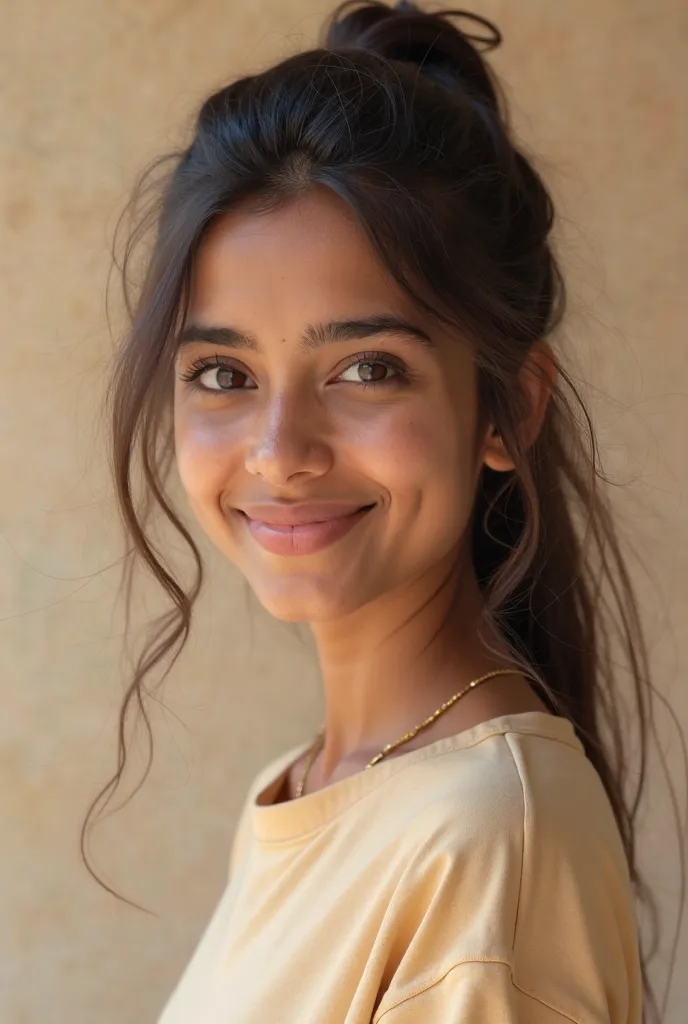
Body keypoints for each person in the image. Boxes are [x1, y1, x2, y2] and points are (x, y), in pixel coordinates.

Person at [83, 1, 669, 1020]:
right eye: (222, 372)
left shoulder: (485, 842)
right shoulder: (307, 786)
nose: (279, 451)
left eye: (364, 368)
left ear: (507, 407)